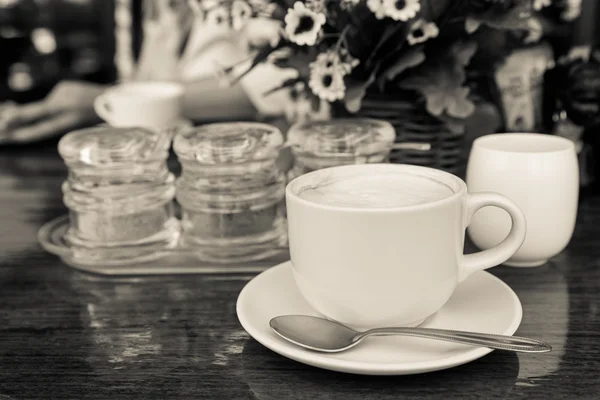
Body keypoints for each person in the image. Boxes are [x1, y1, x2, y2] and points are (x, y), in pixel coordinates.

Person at [0, 0, 293, 144]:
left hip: (250, 167)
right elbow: (142, 82)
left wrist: (104, 101)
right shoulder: (133, 9)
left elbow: (281, 84)